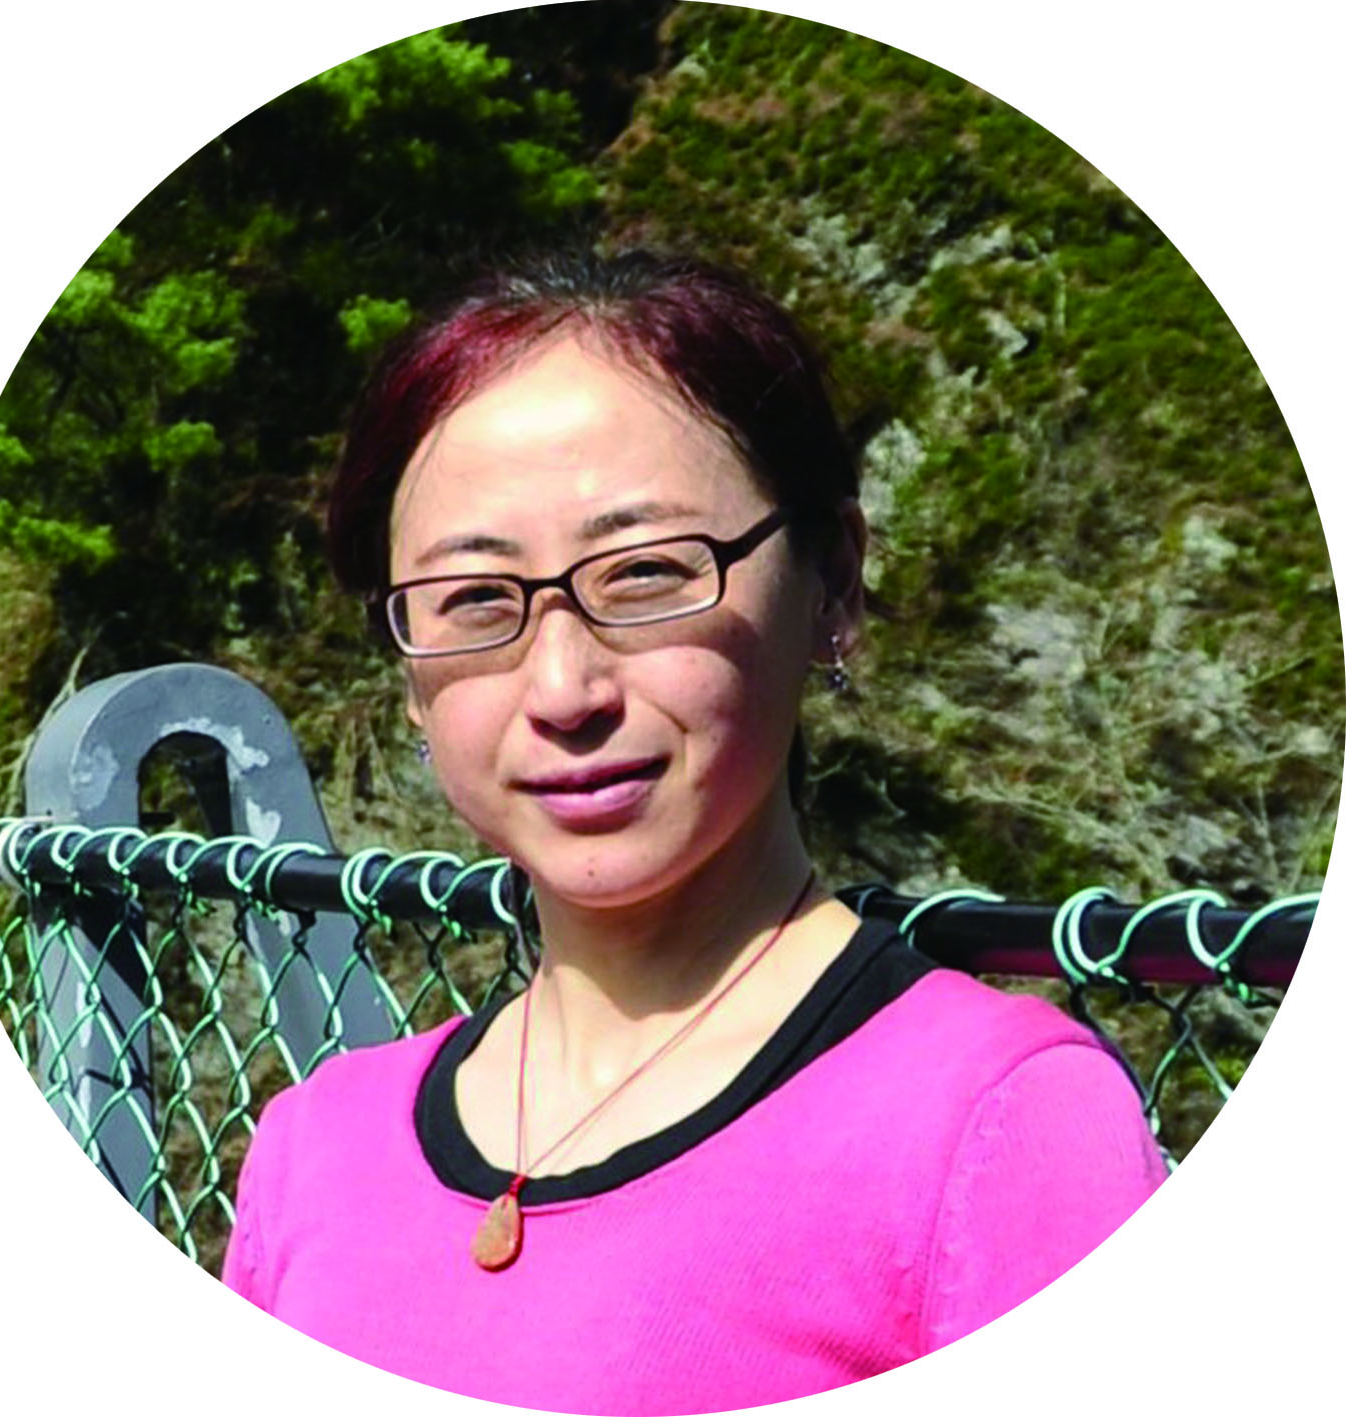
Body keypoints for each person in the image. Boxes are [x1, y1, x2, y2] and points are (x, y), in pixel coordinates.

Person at [222, 249, 1165, 1413]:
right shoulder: (315, 1146)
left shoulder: (995, 1125)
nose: (563, 690)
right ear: (409, 672)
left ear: (832, 585)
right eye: (473, 600)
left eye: (647, 575)